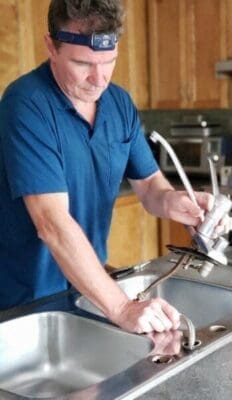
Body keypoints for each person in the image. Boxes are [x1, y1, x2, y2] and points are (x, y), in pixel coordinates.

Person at [0, 0, 216, 333]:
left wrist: (174, 202)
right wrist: (122, 308)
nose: (98, 79)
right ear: (50, 47)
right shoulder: (26, 105)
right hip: (26, 304)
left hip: (87, 294)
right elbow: (51, 223)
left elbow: (151, 188)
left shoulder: (118, 103)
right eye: (82, 63)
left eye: (109, 61)